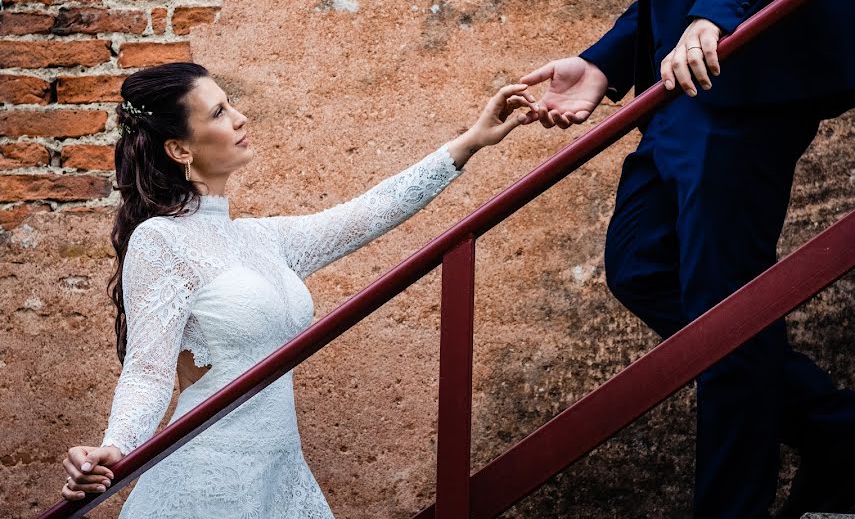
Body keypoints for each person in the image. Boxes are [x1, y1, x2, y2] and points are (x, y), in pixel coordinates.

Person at [520, 0, 855, 517]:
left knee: (722, 307)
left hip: (747, 68)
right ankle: (837, 429)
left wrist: (721, 11)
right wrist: (606, 61)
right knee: (641, 262)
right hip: (691, 82)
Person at [59, 62, 537, 517]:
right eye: (219, 112)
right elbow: (148, 372)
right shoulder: (161, 241)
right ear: (180, 150)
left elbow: (369, 213)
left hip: (279, 476)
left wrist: (471, 141)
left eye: (231, 103)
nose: (240, 117)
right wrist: (114, 447)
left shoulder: (264, 239)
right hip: (204, 484)